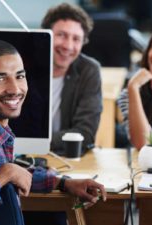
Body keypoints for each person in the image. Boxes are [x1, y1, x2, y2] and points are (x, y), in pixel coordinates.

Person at [0, 39, 107, 225]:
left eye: (19, 76)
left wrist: (62, 183)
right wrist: (4, 174)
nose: (15, 89)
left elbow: (0, 171)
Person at [41, 3, 102, 154]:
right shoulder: (22, 66)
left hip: (66, 158)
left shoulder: (88, 70)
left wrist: (41, 142)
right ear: (46, 34)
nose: (68, 46)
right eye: (61, 35)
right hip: (21, 156)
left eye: (76, 39)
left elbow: (85, 133)